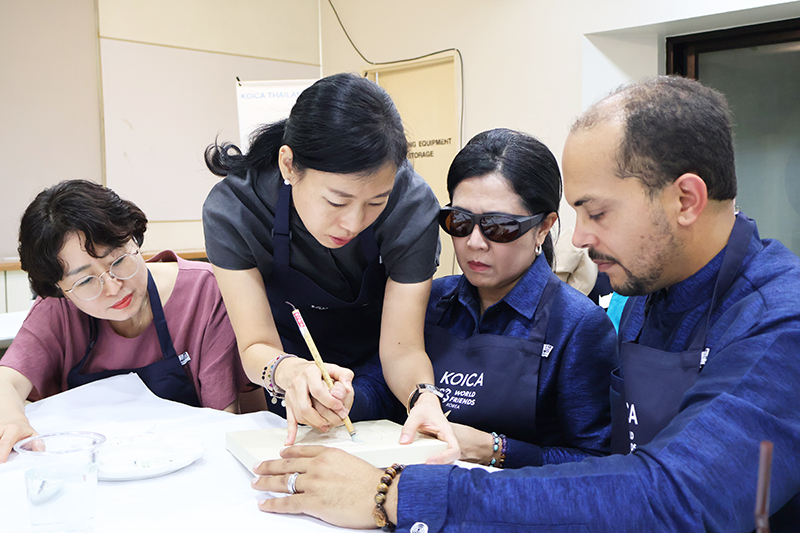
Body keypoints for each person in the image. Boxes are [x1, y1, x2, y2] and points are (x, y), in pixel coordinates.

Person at [250, 76, 800, 532]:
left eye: (598, 212)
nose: (580, 240)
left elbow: (671, 494)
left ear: (685, 199)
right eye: (459, 224)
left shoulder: (779, 323)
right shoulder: (647, 295)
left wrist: (399, 492)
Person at [202, 72, 456, 458]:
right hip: (290, 378)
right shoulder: (235, 209)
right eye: (337, 202)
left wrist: (423, 397)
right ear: (288, 165)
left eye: (375, 203)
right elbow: (256, 345)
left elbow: (402, 350)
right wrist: (290, 373)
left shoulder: (411, 205)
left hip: (381, 374)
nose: (354, 223)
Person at [0, 180, 250, 463]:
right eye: (85, 281)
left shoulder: (204, 293)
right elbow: (6, 381)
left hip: (186, 465)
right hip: (90, 470)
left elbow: (223, 421)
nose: (113, 287)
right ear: (60, 289)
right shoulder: (56, 310)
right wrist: (11, 420)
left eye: (118, 261)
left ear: (133, 239)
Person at [423, 128, 617, 467]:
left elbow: (595, 462)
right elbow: (383, 387)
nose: (475, 243)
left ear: (543, 227)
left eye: (498, 227)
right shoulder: (434, 300)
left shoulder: (577, 326)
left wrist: (495, 449)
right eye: (460, 221)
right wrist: (341, 393)